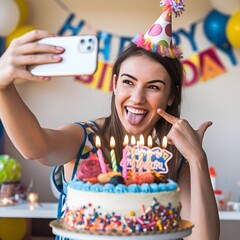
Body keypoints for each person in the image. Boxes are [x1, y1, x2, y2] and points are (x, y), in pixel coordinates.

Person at [0, 1, 220, 240]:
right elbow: (37, 148)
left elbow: (203, 239)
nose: (137, 98)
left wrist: (197, 159)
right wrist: (3, 87)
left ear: (170, 97)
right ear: (114, 84)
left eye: (153, 87)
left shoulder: (176, 158)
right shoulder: (85, 138)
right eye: (128, 82)